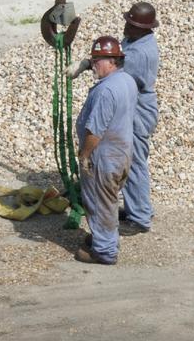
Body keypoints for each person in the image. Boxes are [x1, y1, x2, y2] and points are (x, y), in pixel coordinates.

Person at [74, 35, 138, 265]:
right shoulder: (127, 81)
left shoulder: (105, 91)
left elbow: (95, 131)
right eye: (92, 60)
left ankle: (104, 252)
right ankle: (108, 239)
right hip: (122, 153)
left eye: (97, 60)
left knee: (99, 202)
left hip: (103, 156)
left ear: (113, 61)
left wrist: (84, 155)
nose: (93, 65)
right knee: (109, 200)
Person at [120, 1, 160, 234]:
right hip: (134, 105)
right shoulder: (136, 39)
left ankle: (140, 217)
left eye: (131, 24)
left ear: (144, 28)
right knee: (130, 160)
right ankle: (137, 206)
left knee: (134, 163)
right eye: (127, 21)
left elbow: (116, 73)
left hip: (138, 110)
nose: (126, 27)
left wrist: (89, 64)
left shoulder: (140, 53)